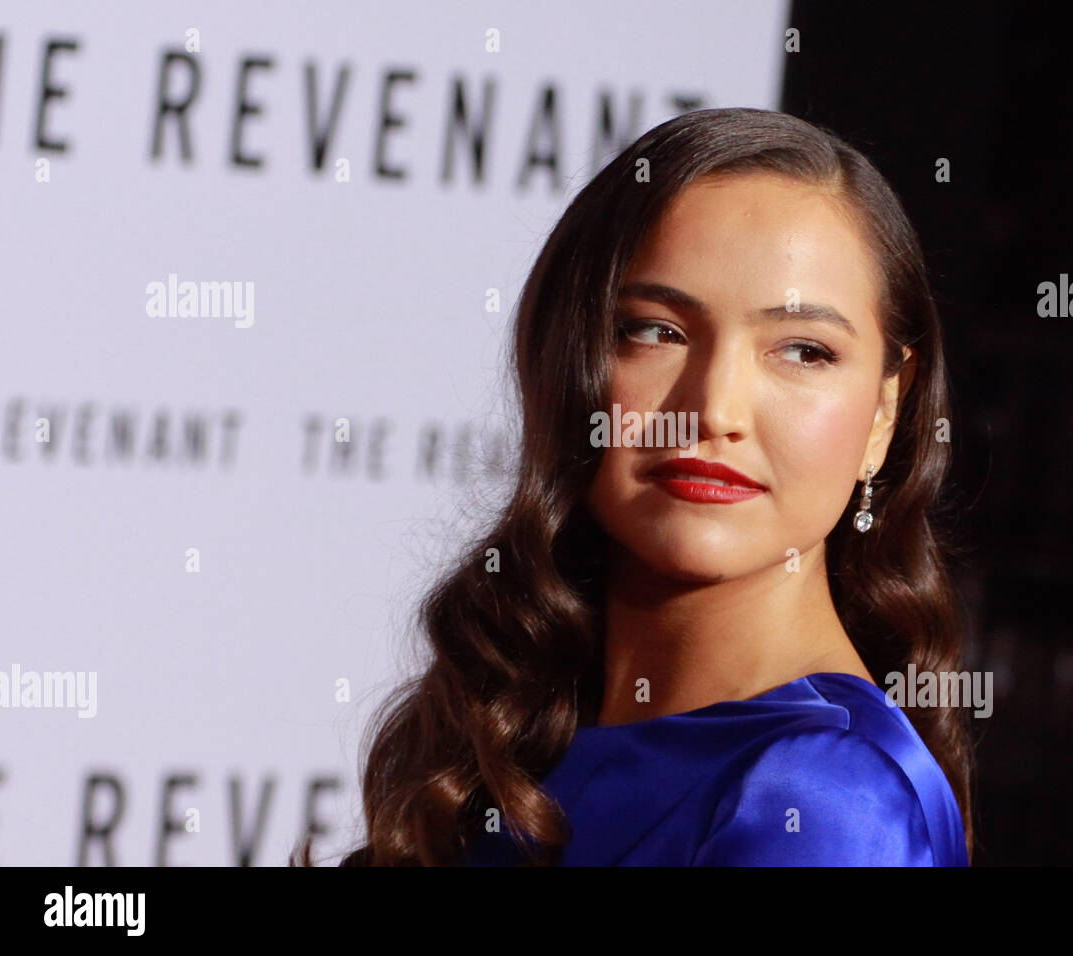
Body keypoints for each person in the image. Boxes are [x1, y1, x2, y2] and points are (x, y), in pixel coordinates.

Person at [297, 106, 974, 866]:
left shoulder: (825, 803)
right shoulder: (520, 733)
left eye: (804, 351)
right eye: (655, 331)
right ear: (562, 358)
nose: (713, 410)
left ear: (885, 412)